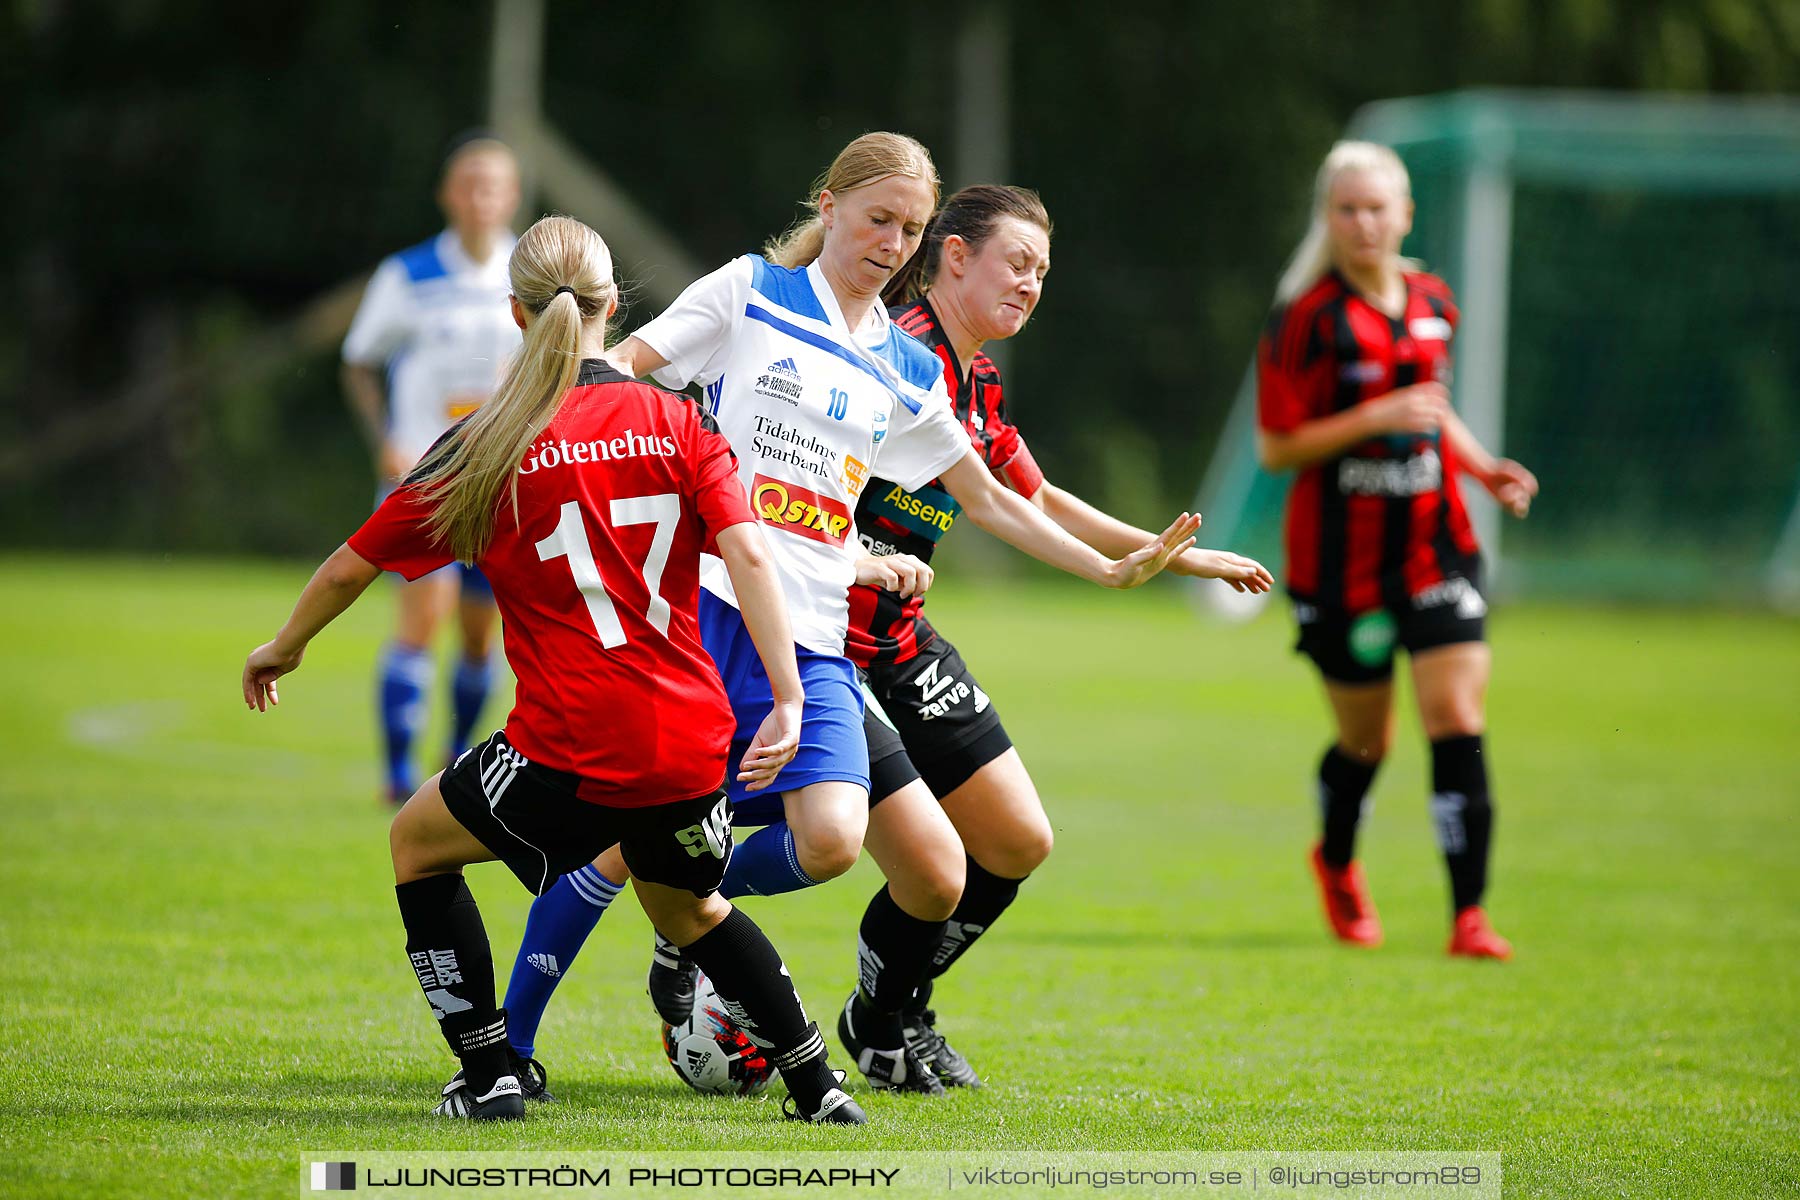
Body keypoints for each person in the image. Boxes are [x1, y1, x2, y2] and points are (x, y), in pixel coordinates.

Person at [497, 134, 1202, 1090]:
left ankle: (682, 909)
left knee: (828, 842)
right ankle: (512, 1046)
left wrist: (1109, 570)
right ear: (828, 206)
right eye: (878, 219)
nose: (892, 241)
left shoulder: (905, 365)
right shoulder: (749, 291)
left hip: (817, 639)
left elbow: (991, 498)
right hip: (706, 616)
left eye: (909, 229)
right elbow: (613, 377)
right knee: (627, 844)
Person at [244, 215, 867, 1125]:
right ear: (614, 306)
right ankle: (819, 1089)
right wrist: (783, 695)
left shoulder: (485, 442)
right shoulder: (677, 417)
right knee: (690, 908)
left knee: (416, 847)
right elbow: (752, 557)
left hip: (567, 748)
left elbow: (351, 565)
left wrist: (285, 644)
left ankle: (491, 1072)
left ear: (514, 311)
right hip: (691, 742)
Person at [830, 183, 1275, 1090]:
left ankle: (885, 1011)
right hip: (823, 645)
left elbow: (1034, 495)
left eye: (1042, 271)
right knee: (907, 860)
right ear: (954, 255)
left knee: (1016, 841)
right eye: (1017, 263)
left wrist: (1172, 557)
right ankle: (706, 960)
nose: (1032, 284)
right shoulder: (888, 358)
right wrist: (1113, 570)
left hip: (901, 641)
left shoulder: (977, 377)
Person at [1254, 141, 1539, 960]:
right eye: (1347, 209)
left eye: (1378, 208)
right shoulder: (1304, 317)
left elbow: (1431, 407)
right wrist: (1372, 421)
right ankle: (1336, 859)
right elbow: (1277, 447)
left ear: (1405, 215)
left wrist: (1484, 470)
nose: (1363, 223)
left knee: (1457, 719)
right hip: (1340, 566)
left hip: (1435, 547)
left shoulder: (1432, 300)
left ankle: (1469, 917)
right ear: (1328, 217)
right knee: (1367, 743)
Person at [340, 134, 522, 803]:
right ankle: (394, 774)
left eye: (493, 185)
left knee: (481, 636)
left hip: (499, 482)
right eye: (468, 184)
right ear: (448, 194)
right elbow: (359, 360)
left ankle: (452, 758)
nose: (480, 198)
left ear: (512, 196)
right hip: (424, 475)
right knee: (422, 618)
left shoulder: (527, 275)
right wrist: (386, 437)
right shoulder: (407, 276)